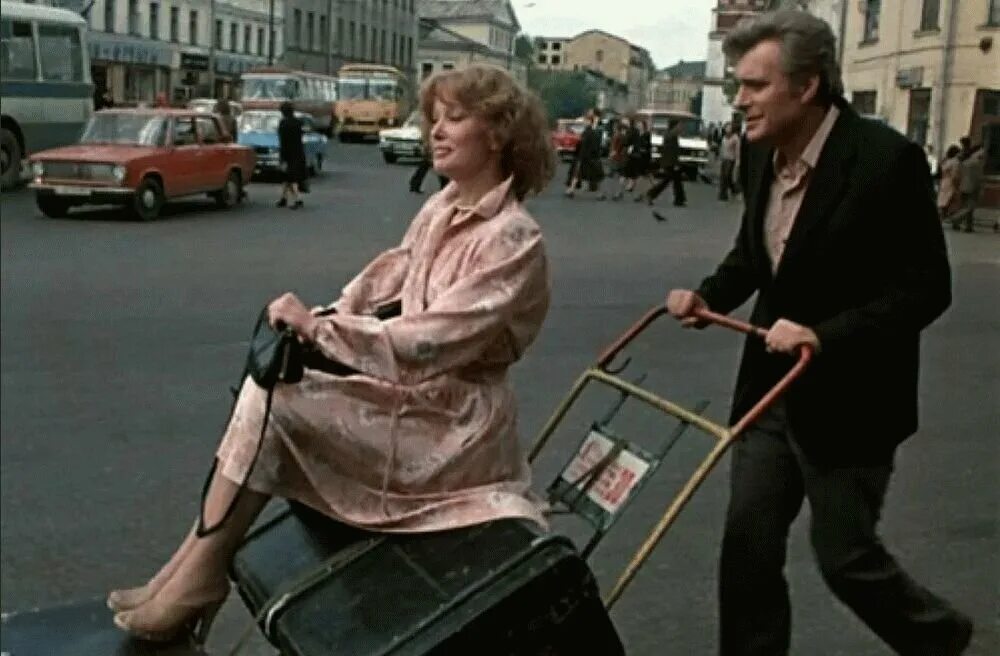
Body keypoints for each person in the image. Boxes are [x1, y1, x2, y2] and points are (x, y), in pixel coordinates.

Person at [107, 63, 556, 645]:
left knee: (278, 403)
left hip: (455, 428)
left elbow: (432, 339)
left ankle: (196, 577)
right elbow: (386, 281)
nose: (436, 131)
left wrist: (321, 334)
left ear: (496, 133)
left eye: (455, 118)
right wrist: (323, 316)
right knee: (271, 387)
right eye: (434, 119)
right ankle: (186, 570)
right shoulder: (443, 206)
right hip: (420, 403)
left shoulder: (513, 237)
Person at [665, 10, 971, 656]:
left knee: (845, 559)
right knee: (746, 548)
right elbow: (756, 256)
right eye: (737, 85)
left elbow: (926, 288)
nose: (739, 100)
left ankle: (940, 638)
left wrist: (824, 335)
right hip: (769, 391)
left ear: (807, 86)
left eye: (755, 85)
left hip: (851, 399)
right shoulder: (760, 154)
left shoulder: (886, 160)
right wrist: (707, 295)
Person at [642, 120, 686, 208]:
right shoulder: (672, 136)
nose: (681, 128)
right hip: (671, 163)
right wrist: (676, 164)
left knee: (675, 180)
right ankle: (651, 194)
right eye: (679, 126)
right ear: (674, 127)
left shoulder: (669, 135)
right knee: (668, 180)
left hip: (669, 162)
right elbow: (672, 152)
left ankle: (679, 199)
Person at [565, 108, 605, 200]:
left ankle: (599, 193)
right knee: (578, 173)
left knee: (594, 176)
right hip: (585, 155)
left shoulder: (596, 129)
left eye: (586, 120)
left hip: (591, 155)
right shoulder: (588, 130)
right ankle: (571, 190)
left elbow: (594, 143)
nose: (585, 122)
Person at [276, 101, 307, 210]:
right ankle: (283, 198)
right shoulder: (298, 122)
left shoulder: (283, 123)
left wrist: (282, 157)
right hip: (298, 152)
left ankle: (298, 199)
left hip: (287, 153)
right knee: (288, 177)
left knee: (290, 177)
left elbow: (283, 141)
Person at [951, 144, 983, 233]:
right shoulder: (976, 163)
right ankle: (956, 218)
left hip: (963, 186)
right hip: (972, 187)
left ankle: (969, 226)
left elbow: (959, 175)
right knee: (970, 207)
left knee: (965, 206)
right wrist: (980, 188)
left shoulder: (965, 162)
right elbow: (977, 177)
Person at [936, 144, 962, 221]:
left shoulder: (946, 161)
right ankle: (951, 220)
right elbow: (955, 175)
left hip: (944, 182)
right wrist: (957, 186)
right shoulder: (955, 162)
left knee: (943, 202)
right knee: (952, 203)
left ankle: (942, 217)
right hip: (951, 183)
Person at [718, 123, 740, 201]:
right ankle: (725, 193)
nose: (727, 129)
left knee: (727, 176)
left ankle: (726, 193)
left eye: (729, 128)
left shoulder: (735, 138)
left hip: (731, 160)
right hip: (724, 159)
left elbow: (737, 150)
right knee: (723, 176)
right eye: (726, 128)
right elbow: (722, 148)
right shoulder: (724, 137)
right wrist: (720, 158)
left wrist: (738, 161)